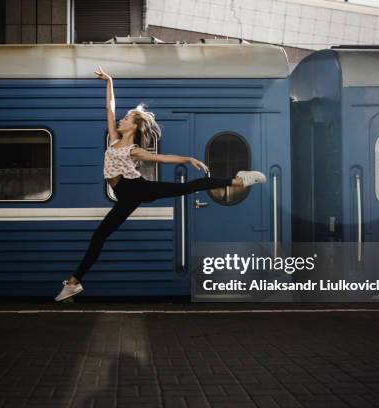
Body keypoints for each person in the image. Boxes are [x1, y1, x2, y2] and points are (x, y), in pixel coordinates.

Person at [54, 66, 267, 301]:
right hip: (125, 197)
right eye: (123, 117)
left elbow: (162, 158)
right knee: (99, 237)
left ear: (133, 126)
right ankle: (73, 284)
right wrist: (109, 81)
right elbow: (109, 108)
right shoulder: (113, 139)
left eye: (126, 118)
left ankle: (238, 180)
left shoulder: (133, 150)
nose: (121, 120)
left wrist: (189, 159)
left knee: (186, 187)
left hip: (136, 188)